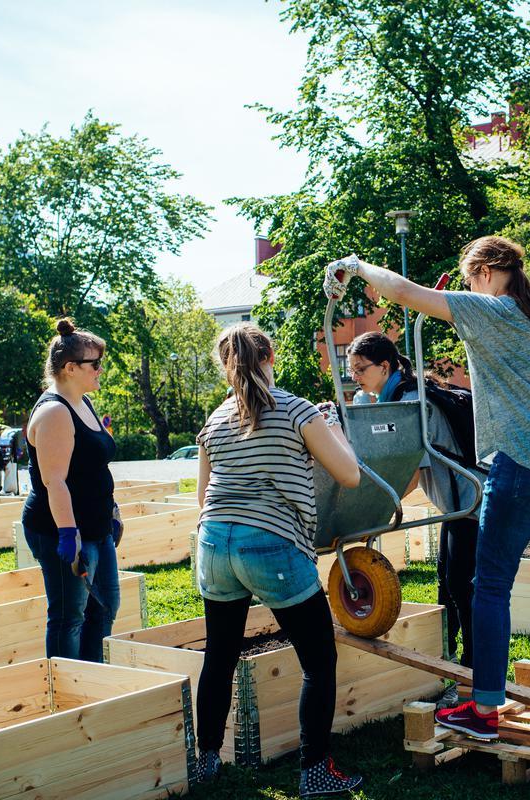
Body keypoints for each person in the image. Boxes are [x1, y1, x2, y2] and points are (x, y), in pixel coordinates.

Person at [325, 237, 530, 740]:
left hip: (525, 466)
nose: (470, 284)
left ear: (492, 271)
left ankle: (484, 710)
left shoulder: (490, 310)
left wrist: (357, 264)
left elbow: (405, 293)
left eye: (472, 275)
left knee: (490, 586)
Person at [191, 322, 365, 796]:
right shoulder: (297, 409)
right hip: (271, 543)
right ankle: (315, 770)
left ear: (226, 366)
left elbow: (203, 496)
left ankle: (206, 762)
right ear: (270, 355)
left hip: (213, 544)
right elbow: (349, 474)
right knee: (318, 658)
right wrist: (330, 425)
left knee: (220, 655)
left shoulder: (215, 419)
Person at [345, 332, 481, 687]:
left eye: (361, 369)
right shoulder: (406, 393)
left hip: (471, 502)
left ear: (385, 365)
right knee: (447, 581)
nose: (355, 377)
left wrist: (374, 514)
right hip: (459, 503)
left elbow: (409, 473)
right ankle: (449, 655)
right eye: (352, 370)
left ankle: (474, 668)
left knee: (462, 584)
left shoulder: (409, 402)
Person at [21, 317, 122, 662]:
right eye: (94, 364)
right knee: (69, 618)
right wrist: (69, 533)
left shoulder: (83, 402)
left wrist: (112, 511)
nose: (100, 370)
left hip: (97, 529)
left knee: (106, 606)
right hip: (64, 530)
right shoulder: (54, 412)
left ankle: (94, 679)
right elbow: (55, 481)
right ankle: (66, 694)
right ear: (70, 368)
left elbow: (94, 467)